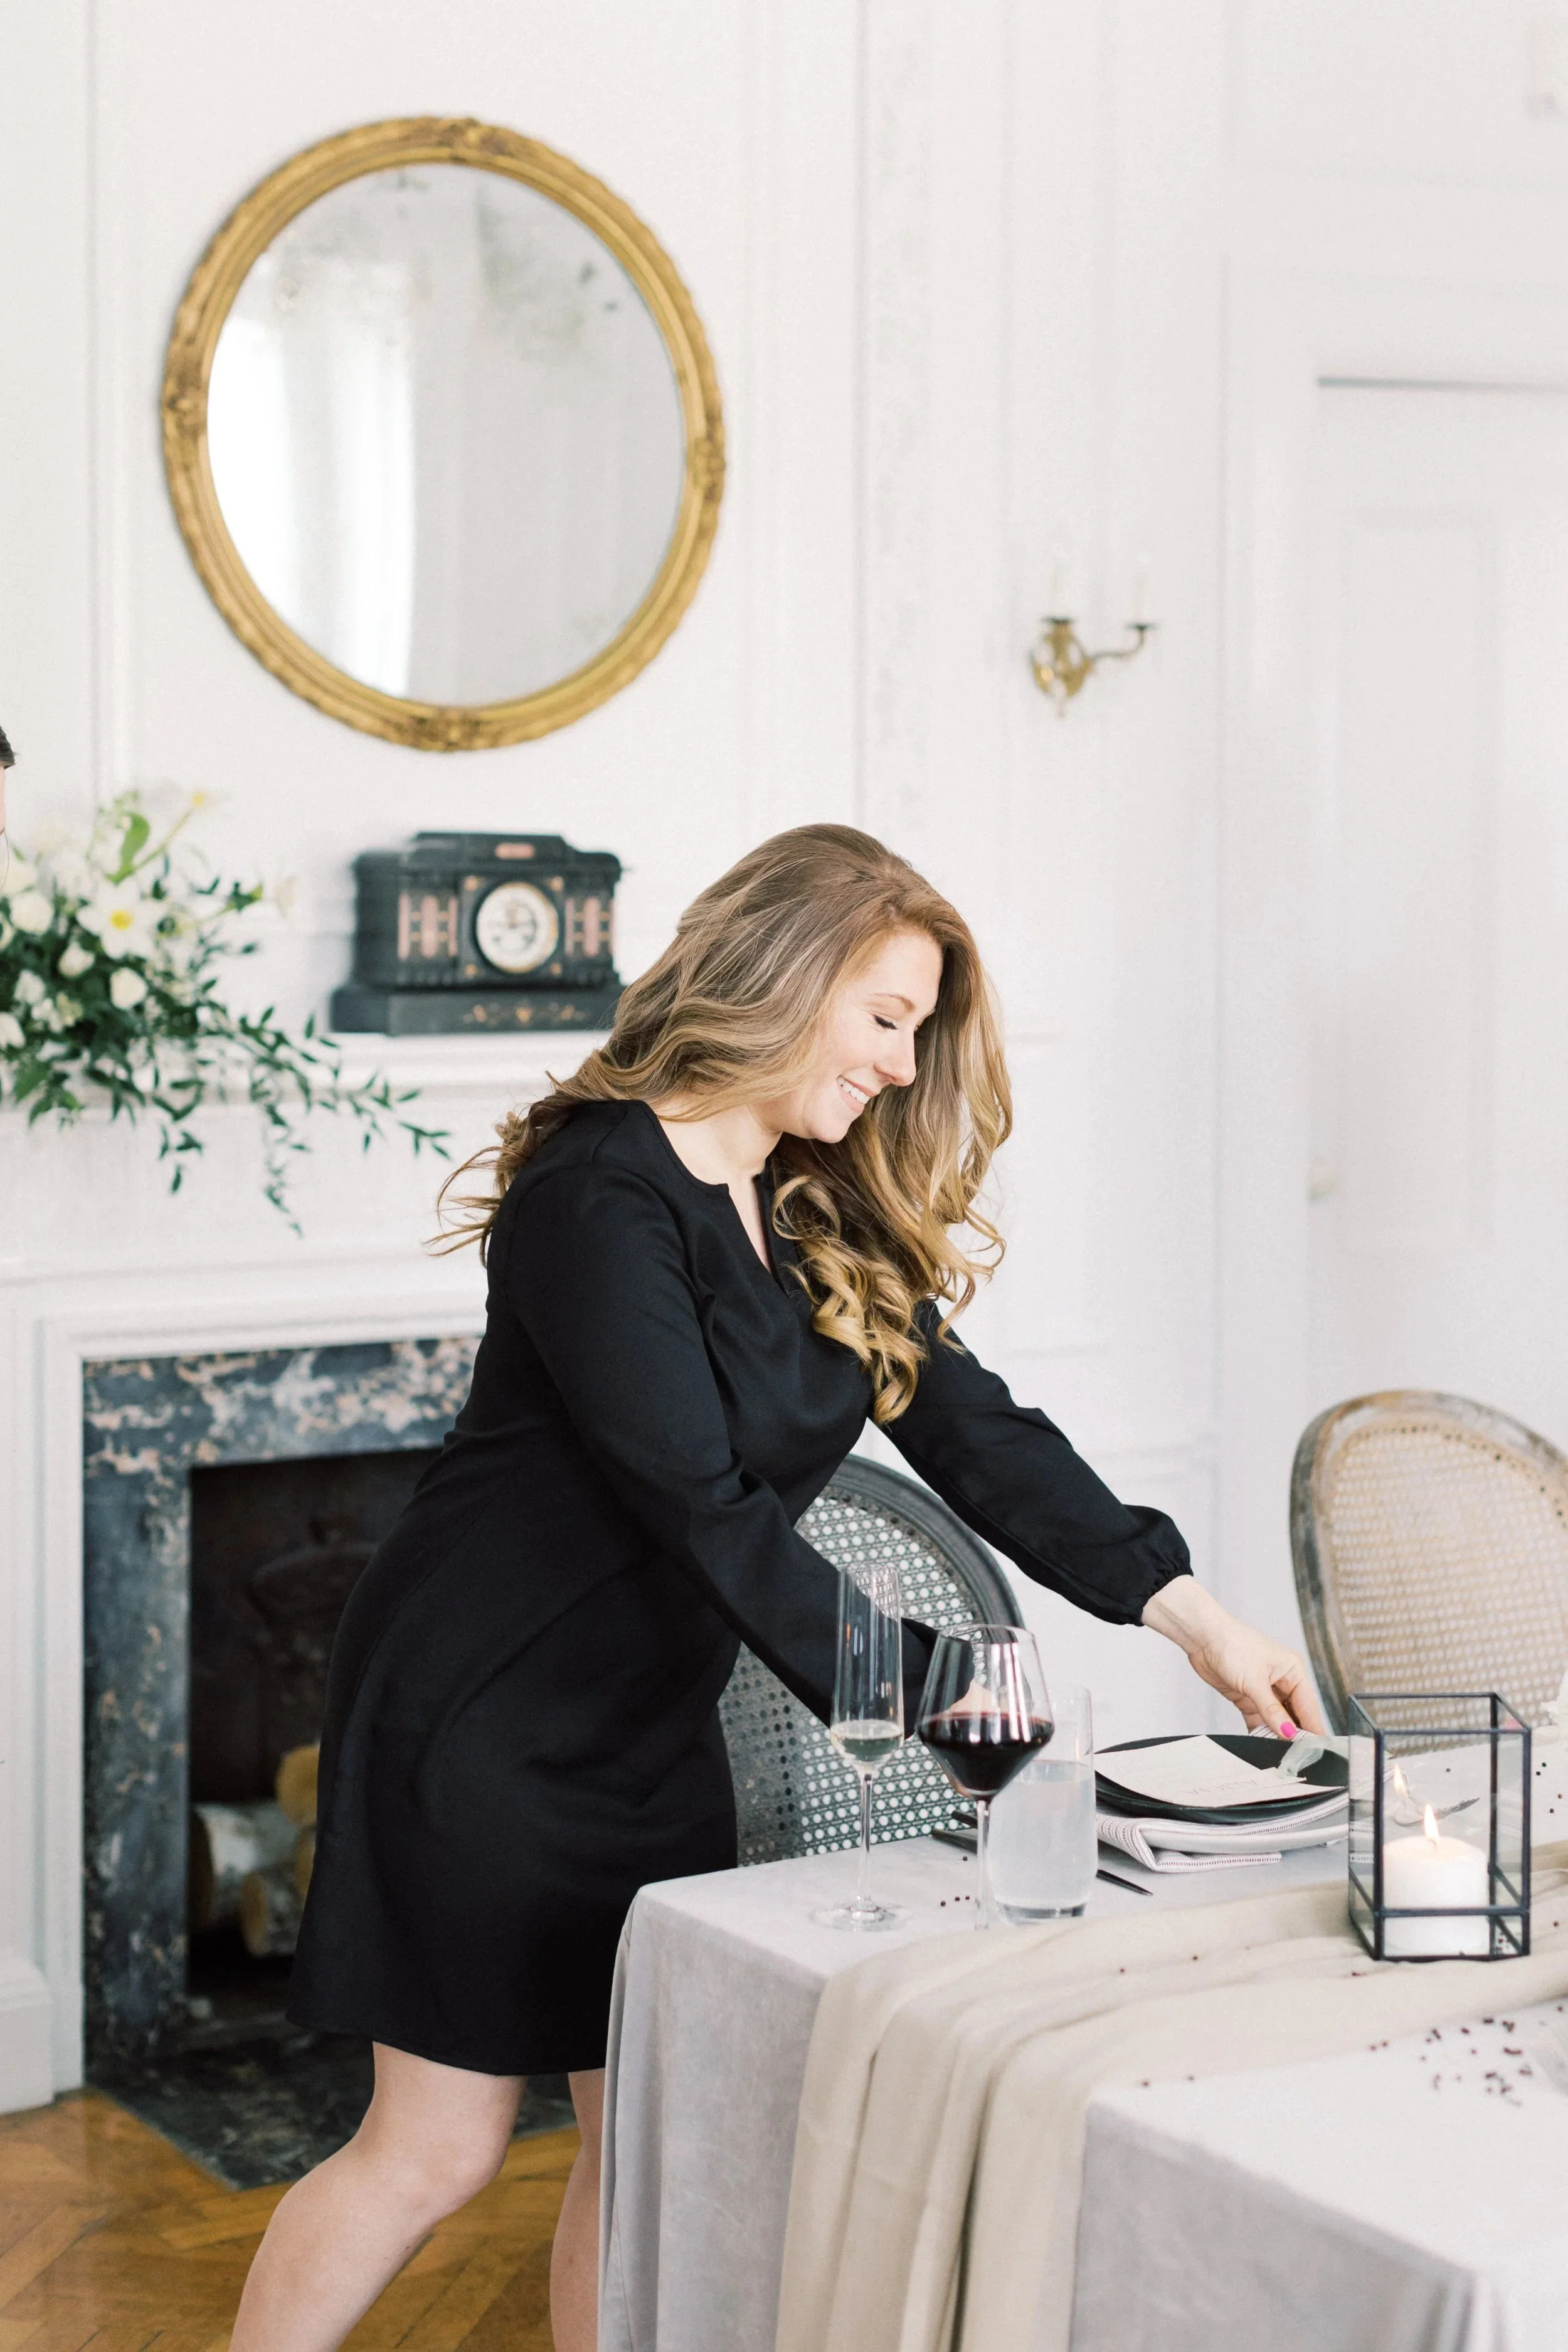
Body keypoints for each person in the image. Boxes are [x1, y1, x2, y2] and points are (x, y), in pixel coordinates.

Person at [230, 825, 1324, 2352]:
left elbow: (977, 1434)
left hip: (648, 1725)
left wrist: (1193, 1615)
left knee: (638, 2150)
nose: (897, 1063)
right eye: (883, 1016)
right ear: (782, 974)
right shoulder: (594, 1194)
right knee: (436, 2153)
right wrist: (979, 1719)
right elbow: (711, 1516)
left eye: (916, 1031)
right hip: (478, 1722)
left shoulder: (817, 1206)